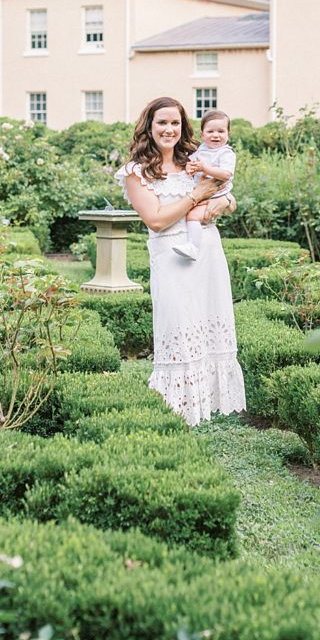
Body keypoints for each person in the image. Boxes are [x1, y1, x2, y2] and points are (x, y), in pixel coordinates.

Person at [114, 97, 247, 426]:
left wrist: (226, 200)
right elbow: (156, 220)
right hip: (171, 255)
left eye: (175, 123)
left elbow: (224, 191)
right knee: (177, 325)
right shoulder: (136, 172)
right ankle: (175, 408)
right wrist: (196, 196)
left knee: (206, 322)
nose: (169, 129)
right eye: (162, 122)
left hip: (207, 249)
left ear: (183, 127)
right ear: (149, 126)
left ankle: (207, 405)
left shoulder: (196, 160)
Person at [172, 110, 235, 261]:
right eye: (210, 131)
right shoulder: (202, 150)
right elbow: (191, 163)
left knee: (193, 216)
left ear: (228, 134)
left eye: (221, 131)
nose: (215, 135)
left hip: (215, 195)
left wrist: (204, 168)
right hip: (202, 194)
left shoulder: (226, 153)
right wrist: (190, 168)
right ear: (202, 134)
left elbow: (226, 174)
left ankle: (193, 246)